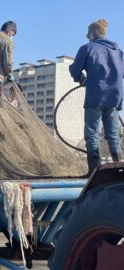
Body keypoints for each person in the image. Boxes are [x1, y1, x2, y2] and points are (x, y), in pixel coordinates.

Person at [69, 19, 124, 175]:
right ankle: (118, 169)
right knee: (113, 134)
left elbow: (75, 71)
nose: (87, 35)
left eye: (88, 32)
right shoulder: (118, 51)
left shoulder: (87, 48)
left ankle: (94, 171)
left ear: (94, 33)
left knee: (92, 133)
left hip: (96, 96)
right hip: (115, 97)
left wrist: (81, 78)